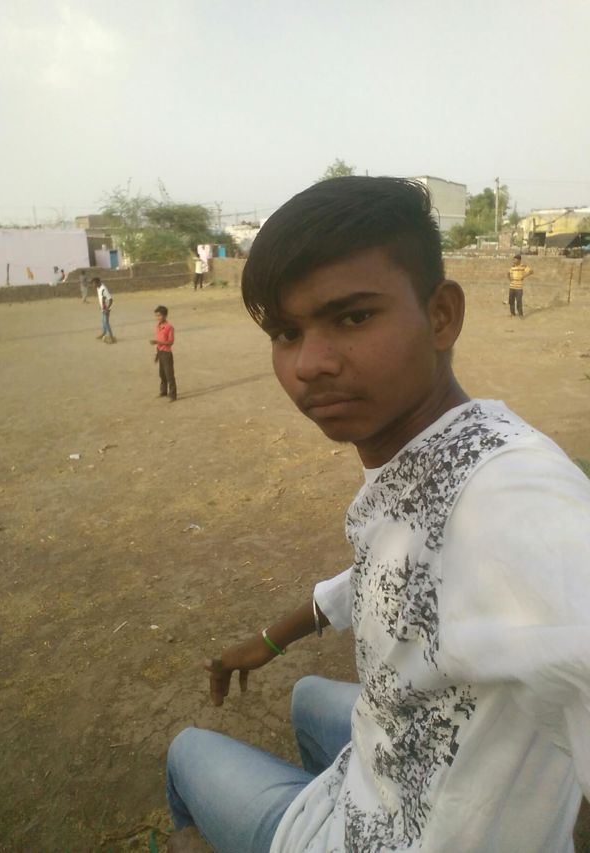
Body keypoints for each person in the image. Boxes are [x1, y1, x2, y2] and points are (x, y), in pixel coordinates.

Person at [165, 177, 590, 853]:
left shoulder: (514, 496)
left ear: (441, 315)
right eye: (286, 332)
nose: (309, 364)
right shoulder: (447, 446)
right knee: (307, 693)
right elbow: (390, 565)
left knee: (187, 752)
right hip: (383, 765)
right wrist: (270, 640)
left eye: (353, 318)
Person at [150, 305, 176, 400]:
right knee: (162, 374)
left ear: (165, 315)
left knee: (169, 375)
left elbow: (170, 342)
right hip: (160, 352)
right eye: (156, 315)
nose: (158, 318)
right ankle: (163, 391)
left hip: (166, 353)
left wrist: (157, 342)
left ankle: (173, 394)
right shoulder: (158, 326)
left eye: (159, 315)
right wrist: (157, 354)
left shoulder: (169, 327)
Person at [507, 253, 533, 317]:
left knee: (519, 301)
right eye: (513, 259)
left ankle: (520, 314)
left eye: (515, 260)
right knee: (511, 301)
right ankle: (512, 313)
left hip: (519, 288)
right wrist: (510, 278)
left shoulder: (523, 266)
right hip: (512, 287)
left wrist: (524, 276)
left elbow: (531, 271)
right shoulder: (512, 267)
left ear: (519, 260)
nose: (513, 261)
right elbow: (508, 273)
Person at [93, 277, 115, 343]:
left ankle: (111, 337)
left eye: (94, 283)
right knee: (103, 322)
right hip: (103, 308)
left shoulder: (103, 289)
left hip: (106, 309)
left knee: (106, 323)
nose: (93, 285)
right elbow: (102, 298)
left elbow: (111, 300)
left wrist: (107, 309)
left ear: (98, 283)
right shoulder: (98, 288)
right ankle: (104, 333)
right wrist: (101, 306)